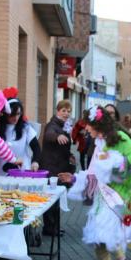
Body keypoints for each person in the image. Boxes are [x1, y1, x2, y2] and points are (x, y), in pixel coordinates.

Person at [61, 106, 131, 260]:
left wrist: (113, 170)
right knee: (96, 231)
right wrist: (75, 179)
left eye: (89, 125)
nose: (86, 129)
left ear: (98, 124)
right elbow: (93, 170)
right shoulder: (99, 141)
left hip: (118, 193)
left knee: (110, 230)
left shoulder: (120, 138)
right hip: (101, 194)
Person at [41, 100, 76, 236]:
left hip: (59, 166)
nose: (66, 113)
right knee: (51, 198)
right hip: (51, 167)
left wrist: (70, 155)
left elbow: (63, 147)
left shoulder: (64, 125)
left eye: (68, 111)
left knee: (56, 198)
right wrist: (57, 136)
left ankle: (54, 227)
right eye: (63, 111)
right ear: (57, 111)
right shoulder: (52, 125)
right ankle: (49, 228)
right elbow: (49, 134)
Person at [0, 97, 41, 172]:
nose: (16, 118)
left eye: (18, 114)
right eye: (12, 114)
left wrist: (35, 162)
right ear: (5, 113)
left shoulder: (26, 128)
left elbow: (36, 147)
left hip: (22, 170)